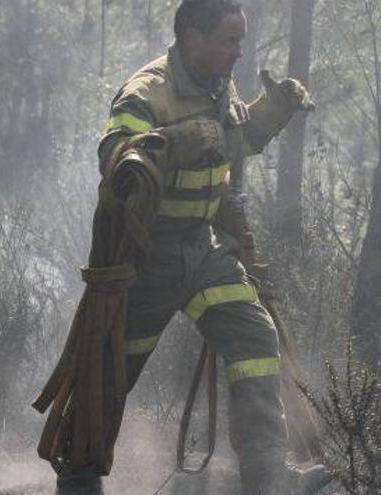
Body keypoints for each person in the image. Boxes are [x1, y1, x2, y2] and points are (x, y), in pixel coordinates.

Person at [56, 1, 328, 493]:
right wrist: (174, 141)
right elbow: (114, 155)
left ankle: (267, 480)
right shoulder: (147, 91)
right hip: (145, 260)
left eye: (240, 42)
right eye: (230, 41)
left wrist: (274, 110)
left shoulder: (216, 83)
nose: (238, 53)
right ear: (193, 38)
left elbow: (232, 140)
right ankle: (78, 478)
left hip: (204, 249)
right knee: (112, 367)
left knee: (255, 341)